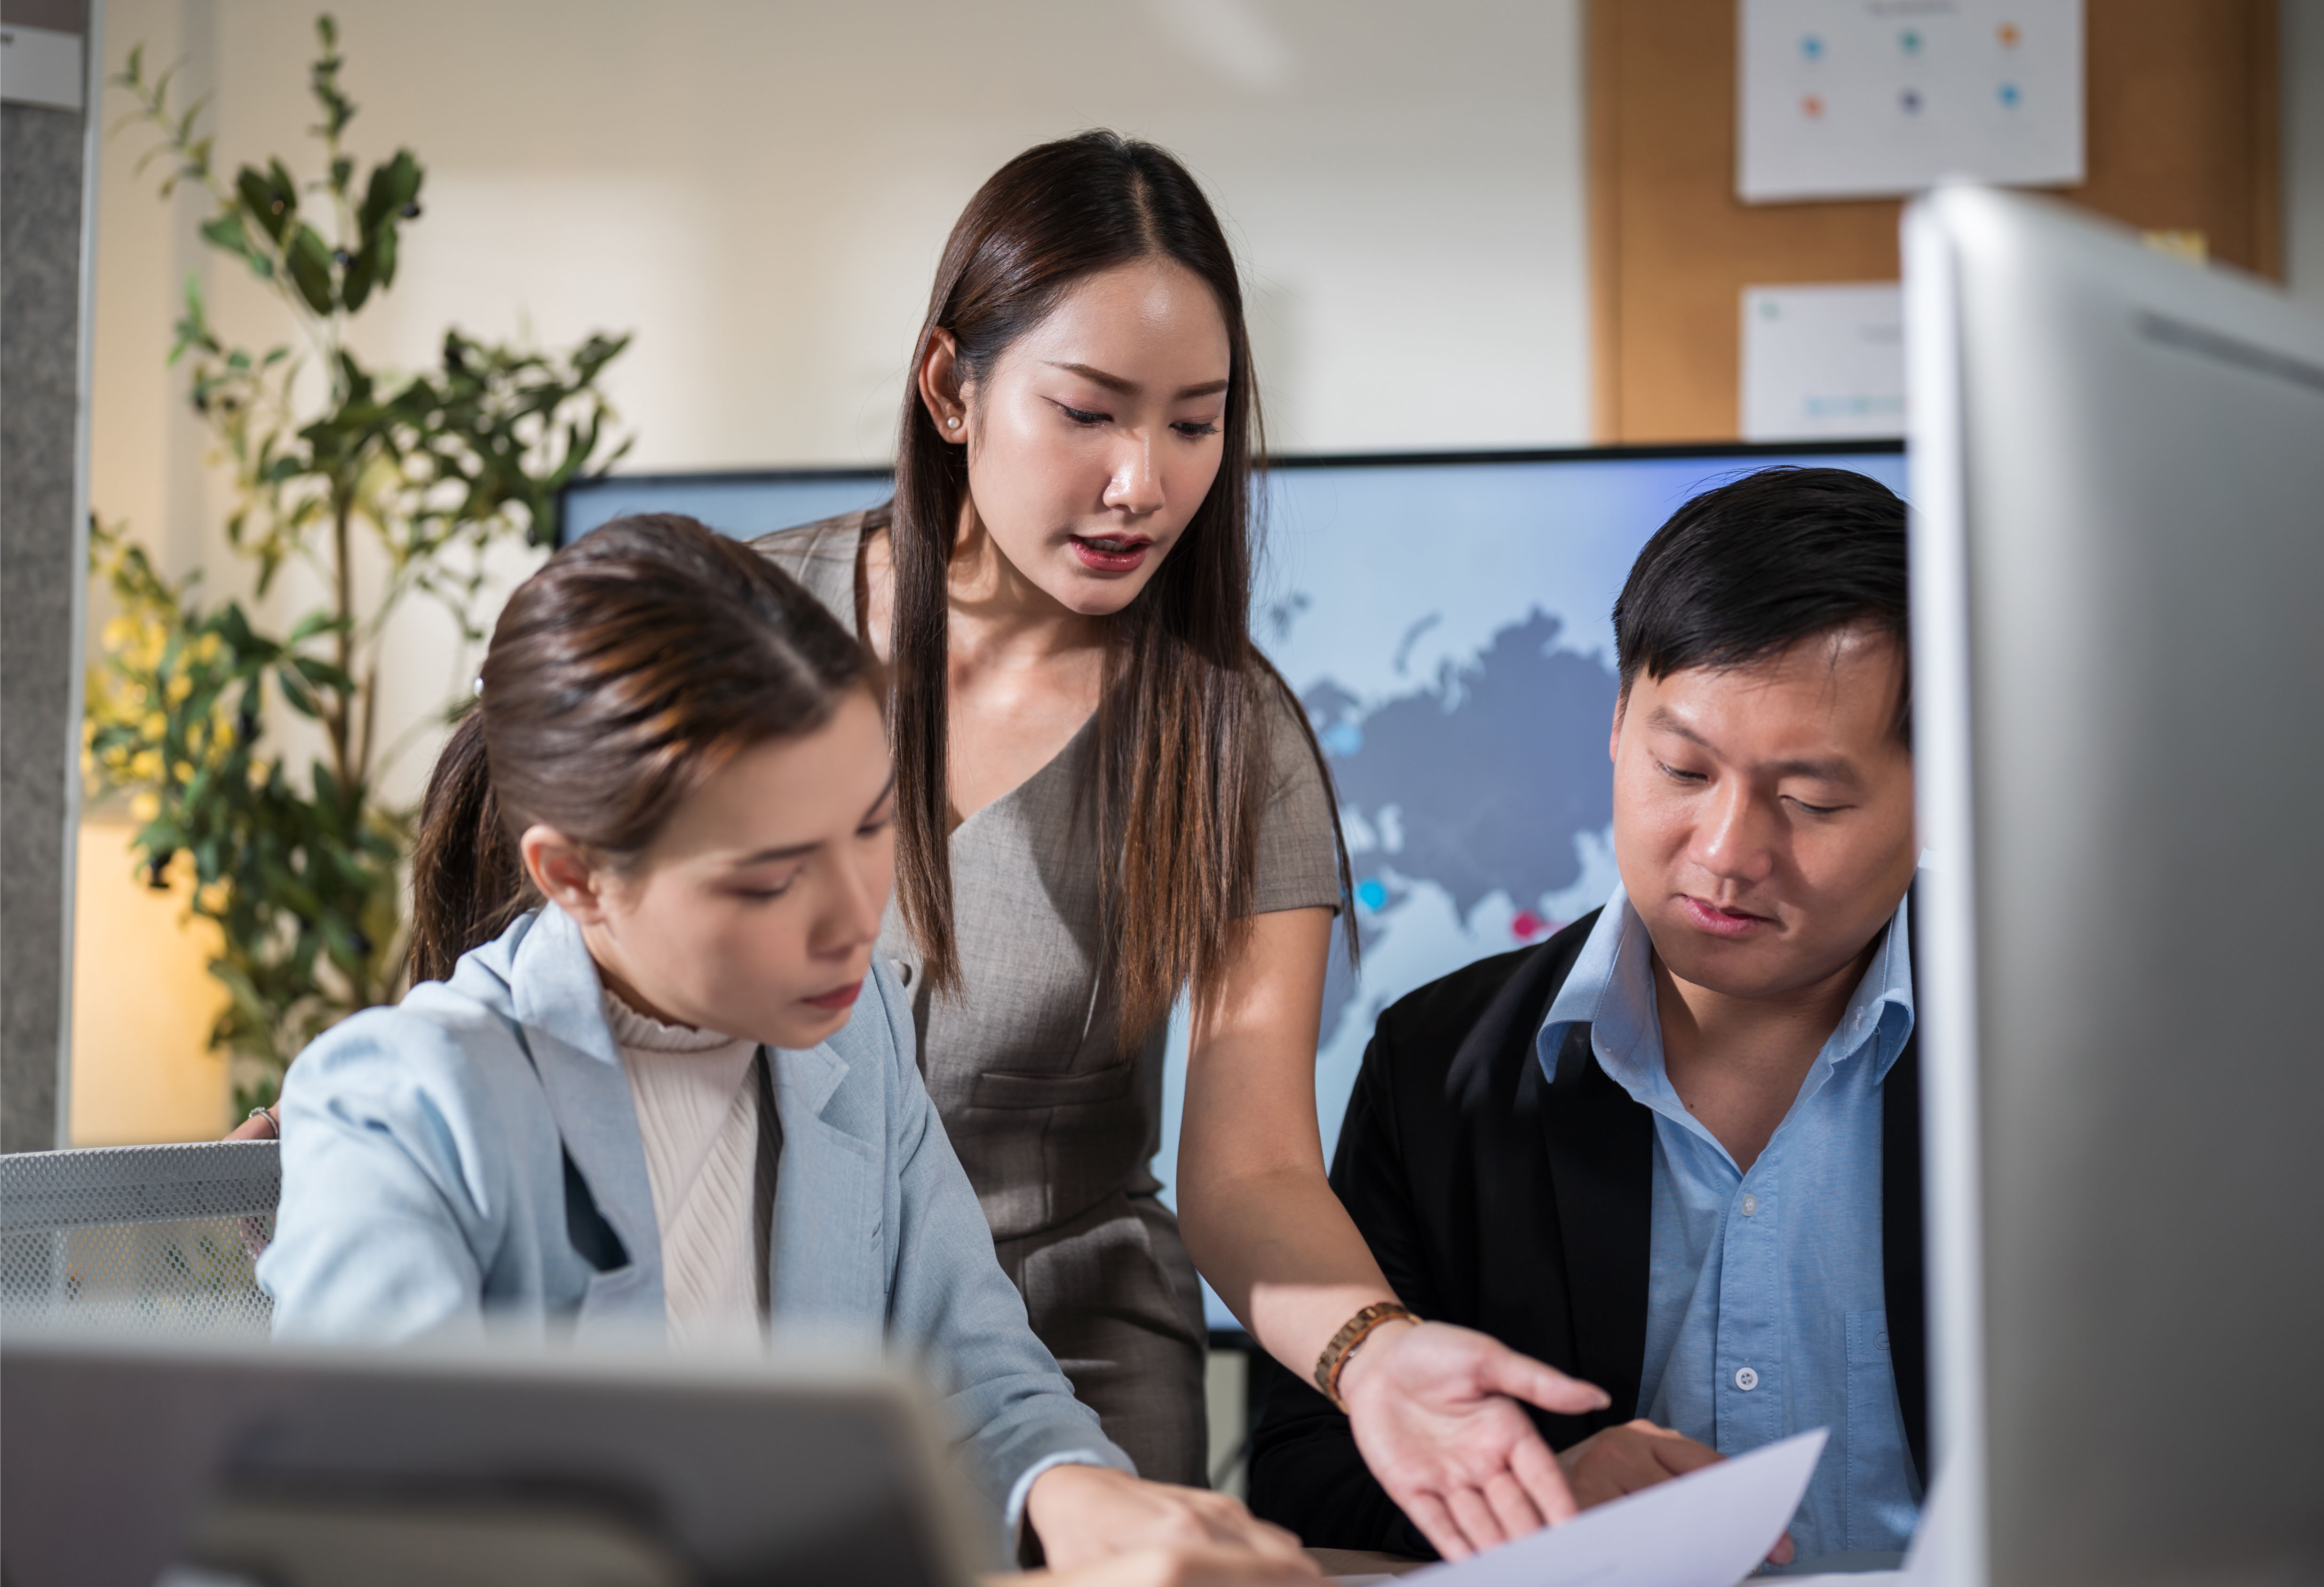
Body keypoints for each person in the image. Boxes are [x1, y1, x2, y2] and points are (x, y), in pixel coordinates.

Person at [754, 128, 1606, 1542]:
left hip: (1066, 1379)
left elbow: (1250, 1166)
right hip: (752, 1362)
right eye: (1088, 412)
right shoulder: (736, 628)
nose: (1142, 483)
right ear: (949, 387)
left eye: (1194, 424)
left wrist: (1374, 1351)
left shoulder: (1231, 739)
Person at [254, 515, 1315, 1580]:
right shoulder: (408, 1096)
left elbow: (973, 1379)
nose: (856, 915)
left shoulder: (852, 1038)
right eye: (769, 879)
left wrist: (1080, 1501)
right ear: (574, 875)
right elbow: (391, 1526)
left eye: (872, 826)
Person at [1247, 468, 1926, 1566]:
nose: (1723, 852)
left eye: (1809, 802)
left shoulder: (2056, 1058)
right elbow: (1299, 1475)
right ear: (1617, 727)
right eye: (1681, 768)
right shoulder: (1437, 1070)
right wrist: (1534, 1504)